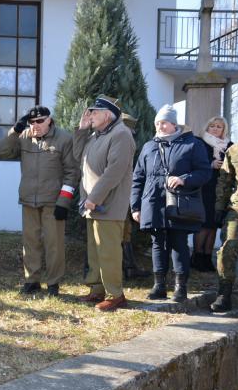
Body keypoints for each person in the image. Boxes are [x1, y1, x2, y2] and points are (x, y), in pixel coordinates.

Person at [130, 104, 211, 302]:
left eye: (164, 123)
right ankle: (159, 287)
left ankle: (180, 288)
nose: (159, 126)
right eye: (157, 123)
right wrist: (135, 206)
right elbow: (138, 178)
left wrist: (184, 178)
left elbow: (204, 172)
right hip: (153, 203)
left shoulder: (192, 144)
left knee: (178, 243)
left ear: (174, 124)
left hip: (179, 204)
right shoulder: (149, 146)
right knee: (157, 243)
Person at [0, 105, 78, 296]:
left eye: (40, 121)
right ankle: (32, 280)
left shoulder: (64, 139)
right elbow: (2, 152)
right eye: (32, 122)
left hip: (53, 201)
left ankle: (53, 283)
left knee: (53, 244)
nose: (35, 125)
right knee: (30, 242)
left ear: (49, 119)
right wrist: (15, 130)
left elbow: (72, 172)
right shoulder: (24, 137)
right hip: (28, 199)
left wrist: (64, 201)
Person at [73, 95, 135, 311]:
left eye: (94, 112)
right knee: (95, 250)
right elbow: (77, 156)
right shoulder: (95, 135)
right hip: (92, 203)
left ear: (108, 115)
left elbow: (114, 172)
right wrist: (81, 131)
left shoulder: (121, 134)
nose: (90, 115)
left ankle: (115, 295)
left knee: (108, 251)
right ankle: (97, 290)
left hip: (108, 204)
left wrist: (94, 198)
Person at [210, 110, 238, 312]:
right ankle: (224, 294)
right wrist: (219, 208)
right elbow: (224, 181)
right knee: (227, 248)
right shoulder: (236, 150)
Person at [193, 116, 232, 272]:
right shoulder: (199, 142)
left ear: (224, 130)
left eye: (219, 127)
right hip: (204, 189)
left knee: (214, 225)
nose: (215, 129)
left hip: (221, 190)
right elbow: (193, 164)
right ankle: (196, 257)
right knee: (204, 224)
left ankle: (207, 258)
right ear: (207, 128)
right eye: (212, 126)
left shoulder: (230, 146)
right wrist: (211, 164)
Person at [120, 113, 150, 280]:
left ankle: (129, 267)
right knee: (121, 232)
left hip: (126, 192)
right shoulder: (119, 142)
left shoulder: (125, 143)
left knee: (126, 232)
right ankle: (126, 268)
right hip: (117, 194)